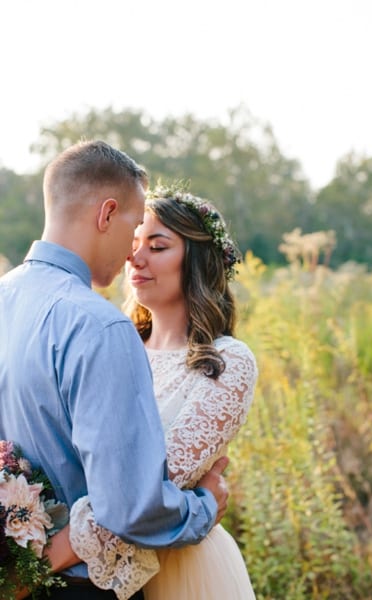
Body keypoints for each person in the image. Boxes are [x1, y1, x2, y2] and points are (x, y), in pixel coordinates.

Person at [0, 140, 229, 599]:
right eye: (134, 223)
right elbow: (129, 506)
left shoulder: (4, 297)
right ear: (106, 214)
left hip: (16, 577)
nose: (132, 250)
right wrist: (205, 506)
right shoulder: (100, 325)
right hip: (82, 587)